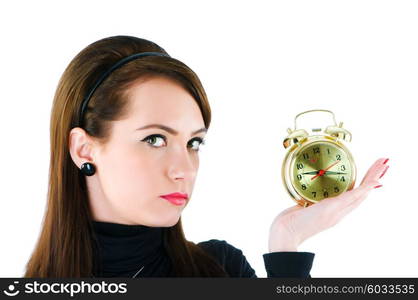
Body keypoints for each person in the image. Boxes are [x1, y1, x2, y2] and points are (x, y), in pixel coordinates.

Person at [24, 35, 389, 278]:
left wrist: (286, 243)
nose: (184, 170)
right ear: (83, 149)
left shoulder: (220, 269)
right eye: (154, 139)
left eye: (194, 143)